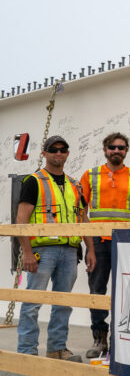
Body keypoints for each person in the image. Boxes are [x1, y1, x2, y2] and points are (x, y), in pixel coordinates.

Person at [15, 135, 95, 361]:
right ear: (45, 153)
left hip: (70, 252)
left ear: (68, 153)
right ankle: (27, 351)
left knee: (63, 303)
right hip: (43, 252)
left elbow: (83, 218)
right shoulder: (34, 181)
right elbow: (21, 220)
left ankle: (57, 348)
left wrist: (90, 249)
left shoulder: (75, 184)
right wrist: (27, 253)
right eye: (53, 150)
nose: (58, 153)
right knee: (32, 303)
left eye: (63, 149)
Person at [80, 132, 130, 358]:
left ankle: (121, 340)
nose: (116, 151)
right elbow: (81, 213)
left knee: (126, 291)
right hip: (98, 242)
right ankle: (99, 339)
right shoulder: (90, 176)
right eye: (112, 147)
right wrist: (89, 247)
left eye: (121, 147)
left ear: (126, 150)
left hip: (126, 241)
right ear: (105, 150)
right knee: (97, 291)